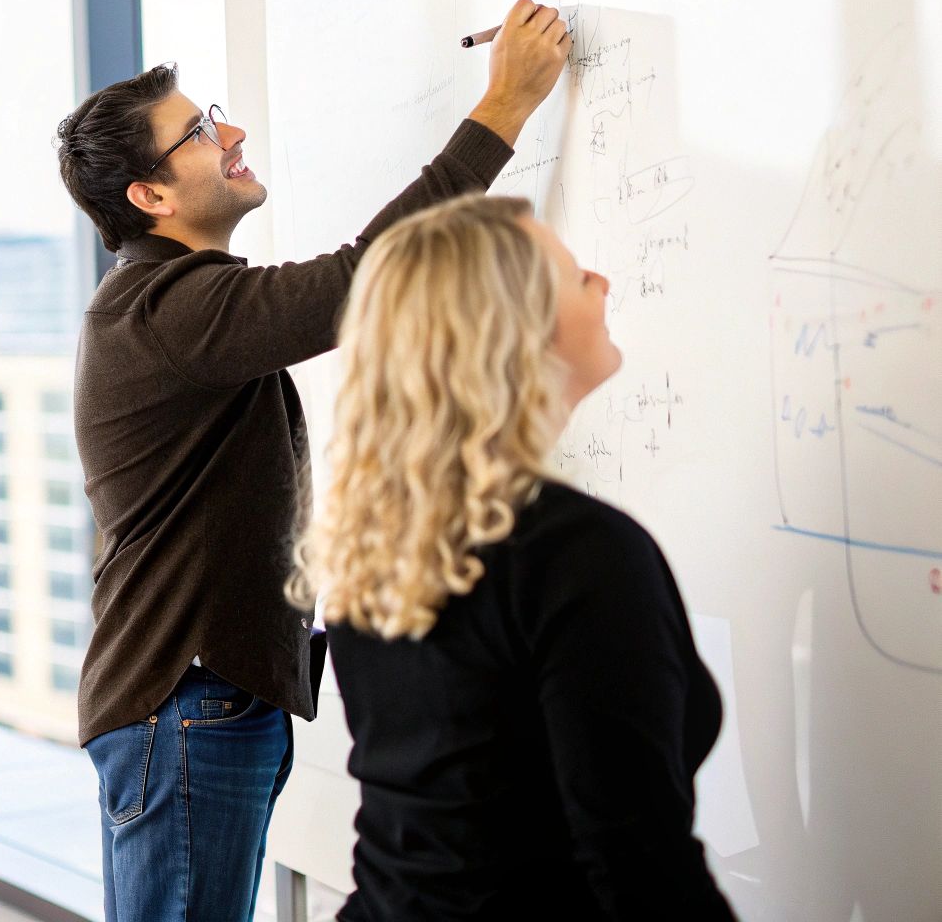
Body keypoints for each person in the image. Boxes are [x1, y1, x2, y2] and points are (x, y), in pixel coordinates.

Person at [52, 0, 570, 921]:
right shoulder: (165, 309)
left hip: (196, 700)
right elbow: (365, 277)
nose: (233, 132)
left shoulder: (168, 302)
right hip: (185, 701)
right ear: (152, 197)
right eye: (202, 131)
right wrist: (504, 110)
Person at [291, 195, 737, 919]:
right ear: (519, 333)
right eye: (574, 276)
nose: (603, 283)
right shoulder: (580, 555)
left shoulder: (380, 543)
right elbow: (639, 866)